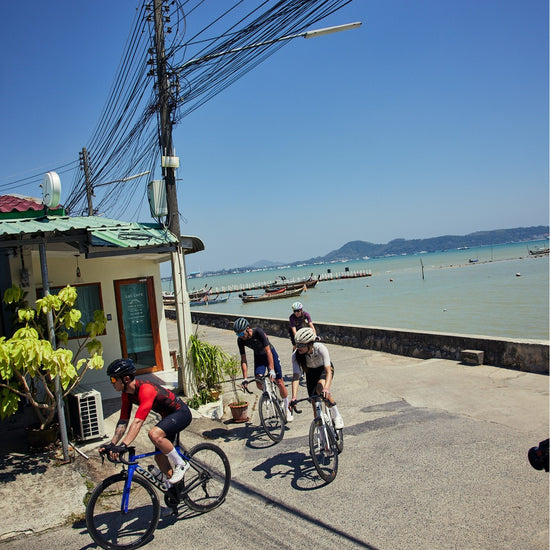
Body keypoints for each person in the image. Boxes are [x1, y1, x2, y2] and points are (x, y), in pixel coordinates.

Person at [99, 358, 192, 485]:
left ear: (126, 379)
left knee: (154, 434)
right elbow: (123, 421)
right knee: (159, 456)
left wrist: (123, 445)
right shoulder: (126, 394)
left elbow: (137, 422)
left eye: (114, 379)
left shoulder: (146, 389)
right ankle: (175, 488)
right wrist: (112, 444)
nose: (112, 382)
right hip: (167, 417)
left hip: (181, 413)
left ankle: (181, 464)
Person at [233, 317, 293, 421]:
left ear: (247, 329)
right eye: (238, 335)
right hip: (259, 357)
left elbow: (268, 351)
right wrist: (245, 378)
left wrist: (271, 369)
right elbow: (243, 360)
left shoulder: (258, 332)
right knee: (258, 382)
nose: (240, 337)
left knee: (279, 382)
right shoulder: (240, 341)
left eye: (242, 334)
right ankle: (268, 393)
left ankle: (287, 409)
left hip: (270, 354)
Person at [289, 327, 343, 429]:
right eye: (297, 344)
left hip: (324, 369)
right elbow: (296, 377)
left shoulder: (320, 348)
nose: (298, 347)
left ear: (310, 343)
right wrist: (294, 397)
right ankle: (322, 436)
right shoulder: (296, 355)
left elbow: (328, 371)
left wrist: (326, 388)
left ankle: (337, 415)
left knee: (320, 389)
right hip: (311, 372)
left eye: (301, 345)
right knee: (314, 402)